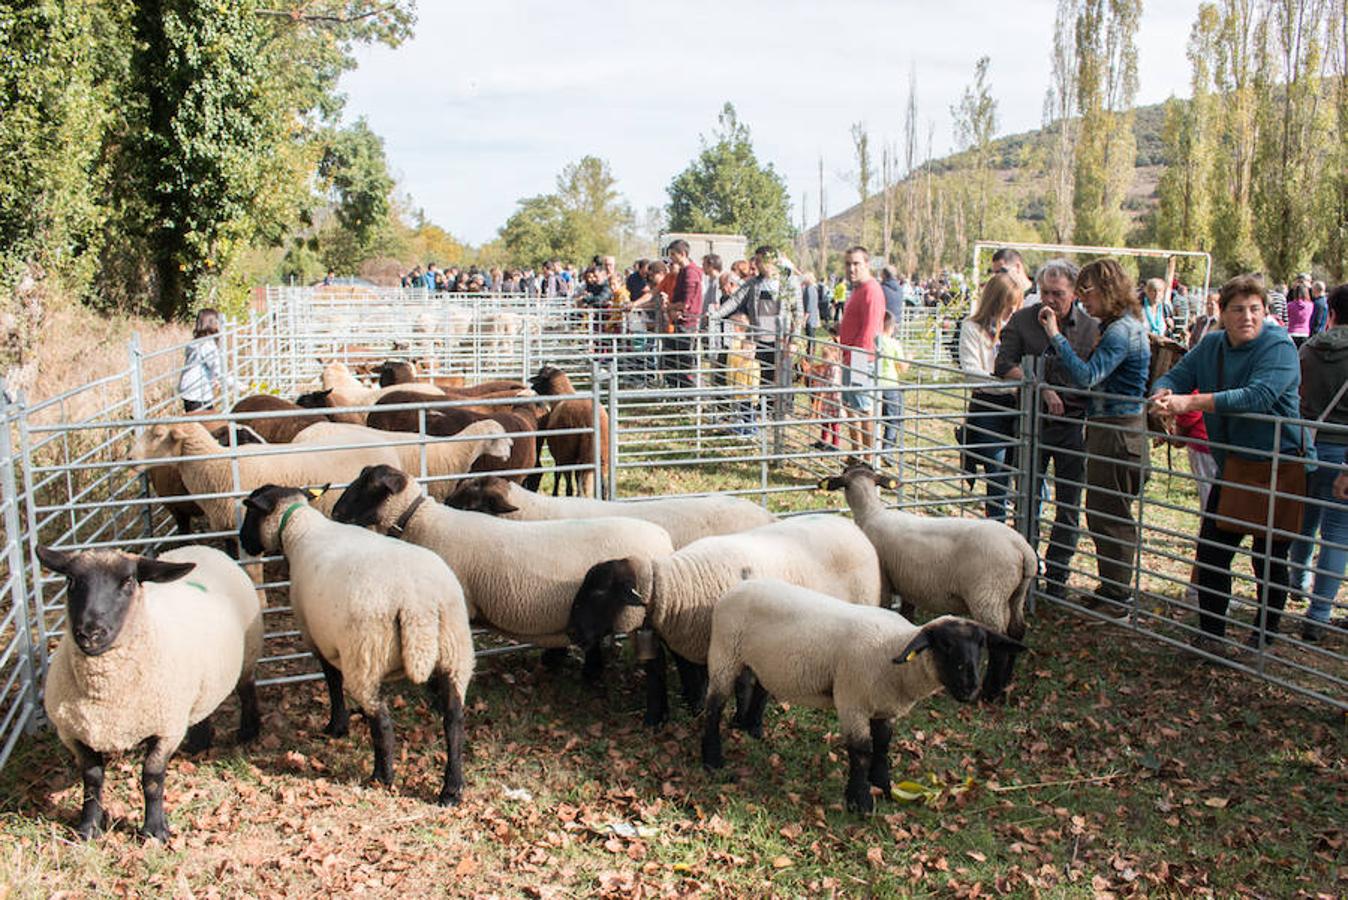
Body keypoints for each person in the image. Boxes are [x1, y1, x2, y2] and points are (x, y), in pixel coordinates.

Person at [1151, 275, 1306, 651]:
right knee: (1212, 552)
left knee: (1268, 557)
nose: (1247, 317)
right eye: (1238, 309)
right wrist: (1162, 391)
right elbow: (1179, 373)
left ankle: (1263, 635)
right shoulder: (1213, 345)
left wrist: (1191, 403)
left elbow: (1258, 396)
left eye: (1255, 309)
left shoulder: (1280, 347)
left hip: (1279, 465)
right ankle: (1212, 635)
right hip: (1234, 465)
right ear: (1223, 313)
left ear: (1266, 312)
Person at [1039, 259, 1150, 610]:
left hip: (1118, 431)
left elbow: (1088, 376)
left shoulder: (1120, 331)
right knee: (1103, 510)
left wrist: (1056, 336)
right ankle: (1112, 588)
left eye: (1086, 292)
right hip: (1112, 427)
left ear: (1106, 289)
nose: (1083, 301)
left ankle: (1118, 595)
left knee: (1111, 513)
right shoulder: (1121, 325)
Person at [996, 258, 1099, 597]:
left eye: (1058, 293)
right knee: (1026, 498)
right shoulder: (1024, 320)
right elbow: (1004, 364)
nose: (1050, 301)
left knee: (1069, 504)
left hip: (1074, 425)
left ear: (1074, 293)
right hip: (1031, 424)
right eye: (1044, 293)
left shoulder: (1091, 326)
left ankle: (1058, 577)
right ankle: (1024, 571)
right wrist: (1039, 385)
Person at [1287, 283, 1348, 642]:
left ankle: (1298, 579)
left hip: (1309, 446)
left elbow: (1299, 396)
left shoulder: (1309, 348)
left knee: (1304, 521)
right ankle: (1319, 612)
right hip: (1342, 453)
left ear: (1333, 312)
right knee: (1337, 535)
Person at [960, 274, 1022, 520]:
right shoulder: (972, 328)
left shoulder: (1016, 329)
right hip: (988, 407)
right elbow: (972, 372)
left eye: (1014, 308)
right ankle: (997, 528)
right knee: (996, 472)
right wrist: (1008, 385)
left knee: (1022, 469)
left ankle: (1023, 531)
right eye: (1007, 307)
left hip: (1017, 406)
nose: (1010, 313)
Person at [837, 247, 886, 457]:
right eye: (848, 264)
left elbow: (870, 329)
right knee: (850, 404)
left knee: (864, 408)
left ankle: (868, 457)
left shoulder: (871, 290)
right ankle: (856, 452)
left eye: (856, 264)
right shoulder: (857, 289)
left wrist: (855, 357)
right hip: (850, 356)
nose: (851, 268)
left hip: (860, 357)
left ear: (867, 264)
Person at [178, 308, 236, 413]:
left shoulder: (196, 342)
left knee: (203, 419)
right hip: (197, 392)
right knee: (202, 422)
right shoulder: (207, 345)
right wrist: (236, 384)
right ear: (211, 323)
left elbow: (204, 366)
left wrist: (213, 379)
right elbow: (218, 369)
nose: (219, 325)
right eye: (217, 321)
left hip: (191, 389)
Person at [666, 240, 704, 387]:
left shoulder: (691, 272)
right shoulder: (684, 271)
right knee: (676, 360)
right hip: (681, 321)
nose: (671, 259)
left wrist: (670, 307)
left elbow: (686, 303)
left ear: (682, 254)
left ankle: (689, 396)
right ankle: (680, 394)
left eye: (673, 255)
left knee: (685, 362)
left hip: (687, 323)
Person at [875, 311, 910, 464]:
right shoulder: (894, 344)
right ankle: (887, 450)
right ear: (891, 327)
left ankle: (872, 449)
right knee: (894, 419)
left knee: (875, 417)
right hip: (890, 384)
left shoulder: (874, 340)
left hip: (875, 384)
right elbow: (902, 368)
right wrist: (909, 358)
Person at [724, 314, 760, 436]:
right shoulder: (736, 342)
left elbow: (754, 382)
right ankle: (740, 430)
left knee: (748, 413)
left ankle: (752, 431)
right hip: (737, 386)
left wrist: (753, 395)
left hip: (747, 393)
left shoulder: (752, 364)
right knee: (739, 410)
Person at [808, 342, 844, 451]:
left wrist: (822, 383)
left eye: (825, 356)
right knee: (825, 420)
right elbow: (822, 377)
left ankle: (835, 444)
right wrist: (814, 373)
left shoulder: (835, 368)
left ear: (834, 356)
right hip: (827, 398)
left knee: (834, 422)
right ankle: (823, 441)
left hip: (834, 398)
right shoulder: (827, 366)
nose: (823, 358)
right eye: (823, 356)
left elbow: (833, 383)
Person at [1285, 283, 1313, 347]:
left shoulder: (1290, 305)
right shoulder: (1310, 305)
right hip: (1305, 333)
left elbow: (1287, 317)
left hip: (1292, 332)